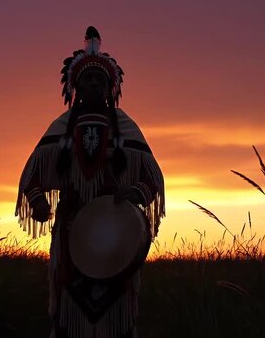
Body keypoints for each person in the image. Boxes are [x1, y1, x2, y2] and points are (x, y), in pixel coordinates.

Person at [15, 26, 165, 338]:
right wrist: (38, 200)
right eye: (88, 79)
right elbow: (31, 175)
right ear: (76, 88)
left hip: (117, 237)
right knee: (70, 316)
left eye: (101, 79)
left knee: (116, 317)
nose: (94, 84)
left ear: (111, 87)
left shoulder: (125, 128)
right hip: (72, 235)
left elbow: (152, 178)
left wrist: (132, 194)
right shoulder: (61, 127)